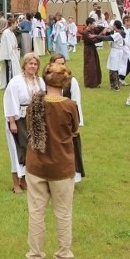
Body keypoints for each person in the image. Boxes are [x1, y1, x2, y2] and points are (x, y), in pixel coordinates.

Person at [24, 61, 80, 259]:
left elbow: (29, 127)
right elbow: (75, 130)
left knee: (36, 211)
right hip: (61, 166)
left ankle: (35, 255)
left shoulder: (34, 104)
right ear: (65, 82)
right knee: (63, 212)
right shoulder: (69, 106)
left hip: (36, 164)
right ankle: (64, 255)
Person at [3, 53, 45, 194]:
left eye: (35, 64)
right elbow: (10, 101)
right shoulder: (16, 82)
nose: (33, 66)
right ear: (24, 65)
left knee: (31, 150)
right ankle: (16, 183)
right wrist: (12, 121)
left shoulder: (40, 81)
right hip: (18, 119)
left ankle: (25, 181)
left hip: (34, 119)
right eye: (30, 63)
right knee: (18, 149)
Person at [49, 53, 85, 183]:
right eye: (58, 63)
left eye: (63, 63)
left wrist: (77, 124)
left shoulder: (71, 81)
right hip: (52, 119)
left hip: (67, 121)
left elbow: (76, 103)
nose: (61, 66)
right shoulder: (47, 81)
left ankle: (72, 177)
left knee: (70, 149)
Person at [80, 18, 105, 88]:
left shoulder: (92, 30)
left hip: (93, 49)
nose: (94, 25)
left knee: (95, 65)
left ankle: (96, 82)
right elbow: (93, 40)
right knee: (90, 66)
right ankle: (90, 83)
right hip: (88, 50)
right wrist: (102, 34)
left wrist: (104, 30)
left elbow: (100, 29)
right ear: (89, 24)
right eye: (93, 24)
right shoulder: (85, 32)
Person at [0, 18, 20, 89]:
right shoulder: (6, 32)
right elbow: (8, 45)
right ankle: (9, 83)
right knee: (10, 69)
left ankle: (12, 83)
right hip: (8, 55)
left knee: (12, 68)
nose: (16, 25)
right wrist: (12, 52)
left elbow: (14, 43)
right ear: (12, 24)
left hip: (13, 53)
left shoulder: (11, 32)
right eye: (16, 23)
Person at [106, 20, 128, 90]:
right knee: (113, 68)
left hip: (116, 51)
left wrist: (96, 37)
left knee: (114, 68)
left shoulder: (118, 34)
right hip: (116, 51)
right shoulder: (118, 32)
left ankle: (115, 86)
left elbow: (109, 38)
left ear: (115, 26)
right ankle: (114, 85)